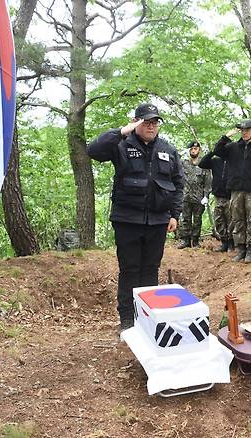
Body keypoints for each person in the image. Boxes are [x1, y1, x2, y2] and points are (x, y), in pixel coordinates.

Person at [87, 103, 184, 331]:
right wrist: (123, 131)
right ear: (136, 122)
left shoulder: (168, 149)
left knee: (150, 269)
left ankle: (147, 317)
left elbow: (178, 184)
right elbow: (93, 150)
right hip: (127, 219)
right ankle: (128, 320)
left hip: (158, 220)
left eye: (155, 122)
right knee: (129, 269)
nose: (151, 126)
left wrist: (174, 215)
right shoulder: (121, 144)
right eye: (146, 122)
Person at [214, 119, 251, 263]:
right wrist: (226, 137)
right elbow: (217, 151)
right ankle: (240, 249)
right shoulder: (233, 147)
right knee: (238, 220)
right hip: (235, 190)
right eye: (242, 130)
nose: (244, 132)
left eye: (247, 130)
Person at [198, 138, 233, 252]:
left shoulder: (234, 161)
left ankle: (231, 243)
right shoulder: (215, 161)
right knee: (219, 220)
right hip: (218, 195)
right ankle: (224, 243)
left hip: (230, 196)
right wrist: (213, 151)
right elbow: (202, 163)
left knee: (231, 221)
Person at [178, 141, 211, 249]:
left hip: (199, 198)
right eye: (191, 149)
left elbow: (208, 182)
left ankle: (196, 241)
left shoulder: (204, 164)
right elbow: (173, 161)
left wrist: (206, 196)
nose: (193, 151)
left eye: (195, 149)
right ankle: (185, 241)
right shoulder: (184, 163)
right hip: (185, 196)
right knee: (185, 219)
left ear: (199, 150)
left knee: (197, 220)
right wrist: (181, 153)